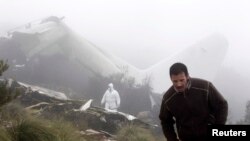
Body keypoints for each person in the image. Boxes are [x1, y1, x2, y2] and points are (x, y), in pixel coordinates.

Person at [159, 62, 228, 141]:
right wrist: (172, 139)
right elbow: (165, 121)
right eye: (175, 81)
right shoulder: (168, 98)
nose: (179, 84)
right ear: (171, 79)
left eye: (182, 80)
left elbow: (222, 105)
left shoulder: (205, 87)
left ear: (187, 76)